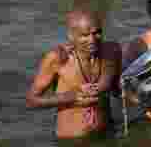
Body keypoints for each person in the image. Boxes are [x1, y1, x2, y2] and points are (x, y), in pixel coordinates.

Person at [25, 10, 122, 139]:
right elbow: (31, 100)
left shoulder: (112, 51)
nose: (92, 40)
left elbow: (118, 90)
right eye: (84, 35)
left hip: (107, 134)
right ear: (71, 36)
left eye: (97, 33)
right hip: (72, 144)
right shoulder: (58, 58)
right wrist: (70, 97)